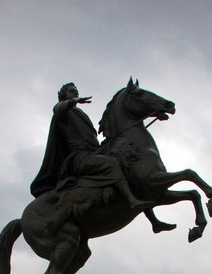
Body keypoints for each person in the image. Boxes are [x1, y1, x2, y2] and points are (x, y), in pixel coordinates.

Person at [31, 82, 153, 212]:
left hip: (93, 152)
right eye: (72, 91)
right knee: (111, 163)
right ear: (63, 95)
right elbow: (57, 108)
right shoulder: (63, 112)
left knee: (126, 164)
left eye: (76, 90)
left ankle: (153, 220)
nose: (75, 92)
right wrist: (73, 101)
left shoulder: (80, 113)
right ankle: (132, 201)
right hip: (79, 157)